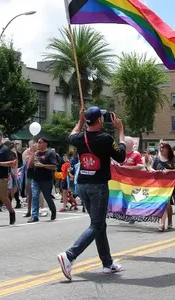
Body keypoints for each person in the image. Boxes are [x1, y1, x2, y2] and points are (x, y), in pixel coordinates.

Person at [57, 106, 126, 281]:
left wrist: (80, 121)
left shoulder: (80, 138)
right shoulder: (105, 138)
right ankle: (70, 255)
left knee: (99, 225)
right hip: (98, 186)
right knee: (96, 225)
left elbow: (71, 135)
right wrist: (121, 131)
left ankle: (107, 263)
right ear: (100, 120)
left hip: (83, 186)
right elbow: (121, 156)